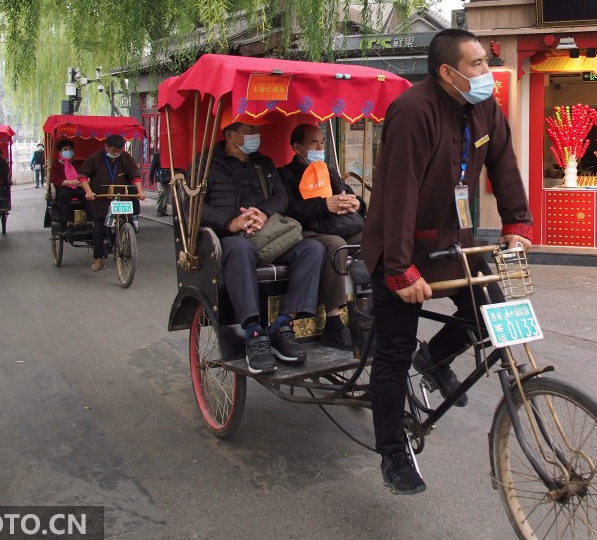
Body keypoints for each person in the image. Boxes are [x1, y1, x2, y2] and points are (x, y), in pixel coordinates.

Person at [361, 28, 534, 495]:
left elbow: (504, 163)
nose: (486, 72)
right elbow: (399, 190)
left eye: (485, 62)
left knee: (491, 316)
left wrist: (517, 222)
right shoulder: (412, 111)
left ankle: (434, 358)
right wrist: (399, 269)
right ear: (447, 72)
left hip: (455, 241)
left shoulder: (485, 108)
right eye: (476, 64)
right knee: (393, 353)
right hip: (400, 246)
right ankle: (393, 452)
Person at [200, 116, 325, 374]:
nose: (256, 135)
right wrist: (231, 222)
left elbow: (281, 197)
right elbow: (192, 207)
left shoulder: (264, 163)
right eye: (250, 130)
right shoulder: (205, 165)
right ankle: (253, 333)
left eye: (257, 129)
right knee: (240, 248)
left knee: (313, 249)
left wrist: (263, 214)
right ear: (230, 135)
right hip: (227, 237)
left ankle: (283, 324)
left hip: (266, 232)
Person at [279, 123, 364, 349]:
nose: (320, 147)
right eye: (314, 143)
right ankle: (334, 321)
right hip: (307, 230)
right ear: (298, 147)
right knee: (336, 246)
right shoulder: (286, 174)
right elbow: (290, 209)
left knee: (371, 240)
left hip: (337, 226)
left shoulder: (328, 170)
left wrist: (356, 203)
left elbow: (347, 193)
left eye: (322, 142)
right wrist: (324, 205)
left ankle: (367, 309)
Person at [79, 134, 146, 271]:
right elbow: (83, 176)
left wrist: (140, 192)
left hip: (121, 198)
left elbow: (135, 176)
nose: (116, 154)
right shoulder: (95, 158)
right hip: (101, 199)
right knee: (99, 229)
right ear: (106, 147)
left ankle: (123, 250)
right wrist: (88, 192)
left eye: (119, 151)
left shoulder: (125, 157)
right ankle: (98, 258)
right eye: (113, 150)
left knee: (127, 223)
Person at [51, 139, 86, 231]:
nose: (68, 151)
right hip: (65, 187)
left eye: (70, 149)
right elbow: (55, 179)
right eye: (65, 149)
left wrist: (82, 181)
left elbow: (84, 174)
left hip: (79, 186)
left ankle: (90, 222)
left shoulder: (78, 164)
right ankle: (69, 223)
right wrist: (70, 182)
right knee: (63, 196)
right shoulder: (56, 164)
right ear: (60, 152)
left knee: (87, 195)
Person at [151, 148, 170, 217]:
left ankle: (164, 210)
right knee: (162, 192)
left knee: (167, 193)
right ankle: (159, 209)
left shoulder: (170, 153)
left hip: (168, 176)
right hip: (160, 177)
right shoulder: (157, 155)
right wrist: (151, 179)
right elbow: (153, 167)